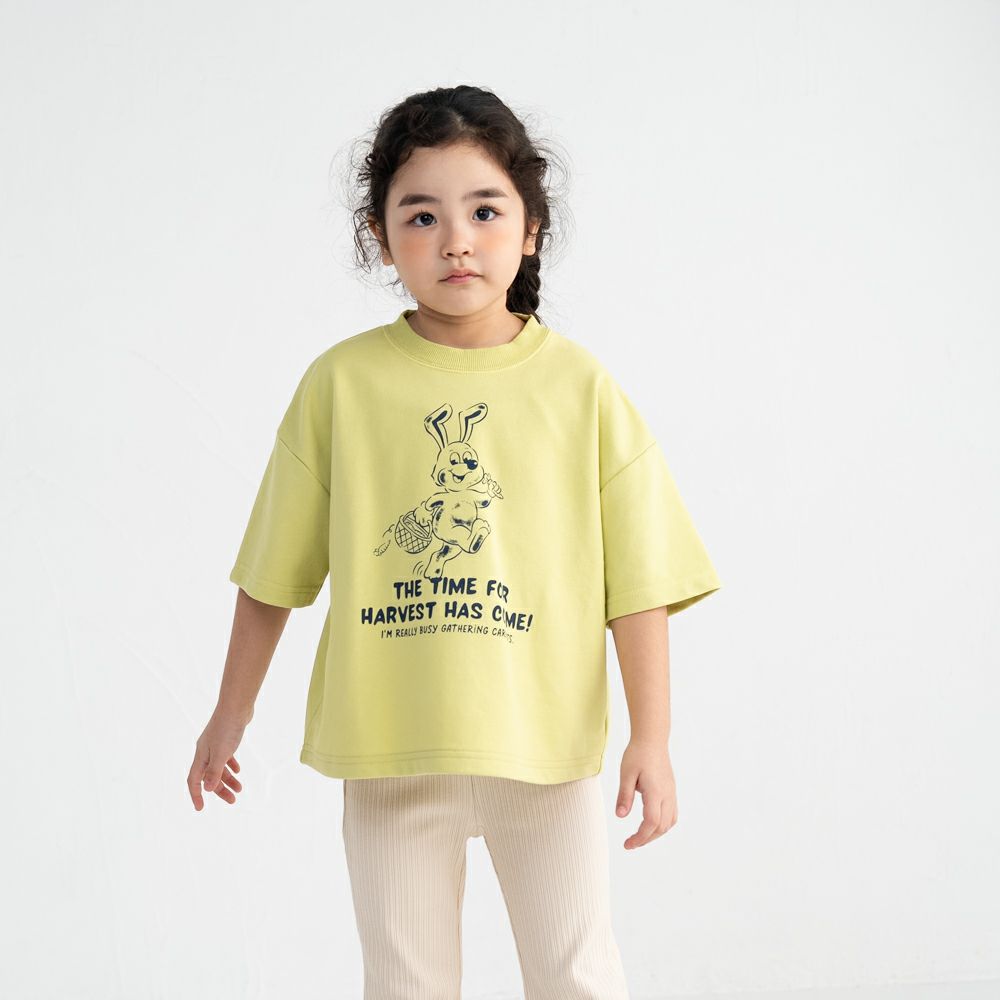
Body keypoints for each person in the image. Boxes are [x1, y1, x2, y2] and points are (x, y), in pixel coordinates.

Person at [187, 84, 721, 999]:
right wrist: (228, 715)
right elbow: (273, 574)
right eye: (422, 216)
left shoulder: (580, 387)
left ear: (532, 228)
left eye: (484, 211)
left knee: (577, 976)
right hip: (390, 747)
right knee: (404, 983)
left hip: (544, 750)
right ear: (380, 237)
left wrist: (654, 737)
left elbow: (640, 579)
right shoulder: (341, 385)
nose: (456, 241)